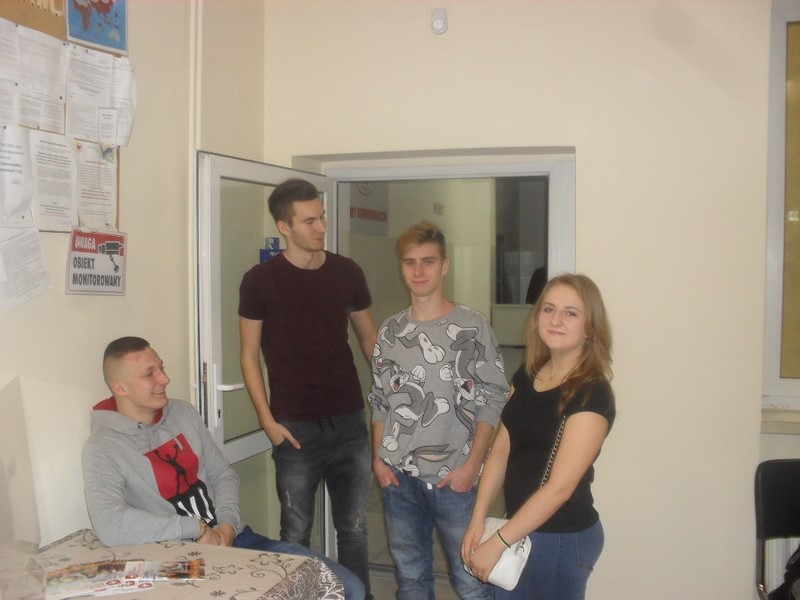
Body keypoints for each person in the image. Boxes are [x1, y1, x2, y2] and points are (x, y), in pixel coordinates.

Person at [81, 336, 365, 600]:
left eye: (162, 368)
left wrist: (227, 526)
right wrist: (196, 528)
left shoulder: (182, 413)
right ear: (120, 388)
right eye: (149, 374)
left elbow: (222, 474)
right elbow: (110, 524)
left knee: (349, 587)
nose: (164, 379)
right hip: (180, 562)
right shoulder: (103, 447)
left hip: (237, 539)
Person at [238, 178, 377, 599]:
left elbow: (370, 339)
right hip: (295, 428)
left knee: (354, 529)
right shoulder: (260, 281)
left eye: (322, 217)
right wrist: (267, 421)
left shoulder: (347, 272)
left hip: (349, 420)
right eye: (310, 221)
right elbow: (249, 355)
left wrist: (391, 395)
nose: (321, 228)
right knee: (296, 533)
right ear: (285, 227)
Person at [369, 221, 509, 599]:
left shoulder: (472, 326)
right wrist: (379, 459)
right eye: (410, 262)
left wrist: (472, 467)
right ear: (401, 268)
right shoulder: (390, 331)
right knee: (411, 579)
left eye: (428, 261)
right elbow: (380, 400)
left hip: (455, 480)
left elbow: (493, 398)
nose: (418, 271)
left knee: (471, 582)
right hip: (399, 479)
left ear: (444, 265)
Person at [461, 273, 616, 600]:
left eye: (570, 313)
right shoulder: (528, 374)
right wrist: (478, 518)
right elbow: (501, 450)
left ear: (590, 327)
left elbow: (559, 489)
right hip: (520, 529)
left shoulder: (593, 394)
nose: (556, 320)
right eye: (548, 309)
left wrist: (499, 541)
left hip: (560, 539)